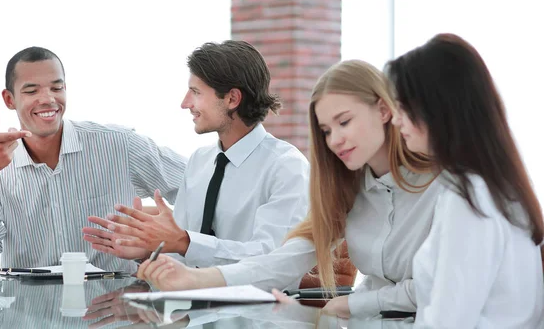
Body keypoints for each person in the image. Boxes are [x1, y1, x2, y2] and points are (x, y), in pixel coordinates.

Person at [135, 59, 443, 318]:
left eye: (344, 122)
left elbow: (439, 286)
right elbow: (283, 261)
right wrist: (193, 278)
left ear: (384, 111)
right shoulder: (346, 189)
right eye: (325, 130)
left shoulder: (443, 185)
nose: (334, 140)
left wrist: (351, 303)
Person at [0, 47, 187, 272]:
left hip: (113, 305)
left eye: (56, 88)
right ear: (9, 99)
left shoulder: (121, 145)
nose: (48, 99)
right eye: (31, 91)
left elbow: (205, 192)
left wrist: (164, 244)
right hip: (30, 309)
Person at [83, 40, 309, 268]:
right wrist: (146, 251)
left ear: (232, 99)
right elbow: (184, 253)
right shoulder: (200, 161)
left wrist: (183, 242)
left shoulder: (286, 167)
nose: (185, 103)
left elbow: (272, 258)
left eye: (196, 92)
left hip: (261, 302)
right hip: (191, 300)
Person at [388, 33, 544, 328]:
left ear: (437, 108)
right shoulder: (500, 186)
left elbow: (448, 322)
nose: (397, 121)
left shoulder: (469, 196)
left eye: (403, 107)